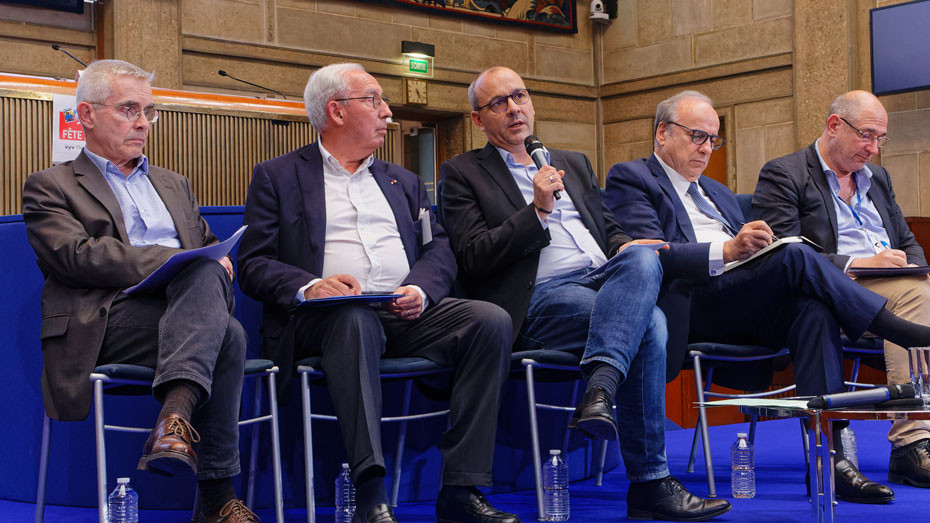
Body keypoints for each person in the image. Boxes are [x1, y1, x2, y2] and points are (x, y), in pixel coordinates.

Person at [605, 89, 930, 504]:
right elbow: (650, 257)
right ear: (662, 134)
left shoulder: (717, 193)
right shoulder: (631, 177)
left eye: (712, 140)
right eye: (696, 136)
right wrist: (727, 251)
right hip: (690, 303)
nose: (706, 149)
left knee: (813, 310)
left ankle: (829, 462)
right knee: (795, 252)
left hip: (741, 299)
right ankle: (898, 330)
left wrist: (755, 246)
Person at [439, 66, 731, 522]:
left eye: (520, 96)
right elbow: (474, 257)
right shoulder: (461, 173)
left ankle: (600, 388)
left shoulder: (571, 161)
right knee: (651, 324)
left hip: (605, 280)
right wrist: (535, 211)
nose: (515, 109)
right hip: (540, 295)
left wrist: (628, 247)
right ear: (478, 120)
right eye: (499, 103)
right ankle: (649, 480)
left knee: (642, 257)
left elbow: (609, 232)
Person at [237, 63, 516, 523]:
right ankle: (370, 489)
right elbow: (253, 263)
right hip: (322, 318)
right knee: (354, 319)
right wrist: (311, 286)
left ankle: (461, 489)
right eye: (375, 100)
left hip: (404, 310)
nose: (388, 112)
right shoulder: (279, 176)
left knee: (489, 321)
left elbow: (439, 246)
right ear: (337, 111)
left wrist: (421, 289)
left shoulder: (402, 181)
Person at [22, 60, 255, 522]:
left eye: (149, 111)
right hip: (109, 319)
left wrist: (219, 258)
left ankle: (174, 422)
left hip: (186, 316)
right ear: (86, 115)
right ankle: (214, 501)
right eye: (129, 109)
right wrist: (174, 260)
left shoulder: (174, 183)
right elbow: (76, 256)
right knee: (227, 333)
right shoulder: (51, 185)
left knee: (221, 314)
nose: (143, 123)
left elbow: (208, 246)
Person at [753, 90, 930, 489]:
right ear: (835, 125)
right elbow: (784, 254)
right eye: (867, 135)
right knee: (918, 299)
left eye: (880, 139)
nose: (873, 148)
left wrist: (918, 267)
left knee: (919, 292)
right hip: (834, 294)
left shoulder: (878, 179)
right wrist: (860, 264)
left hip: (895, 292)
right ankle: (911, 444)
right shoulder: (785, 173)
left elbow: (906, 239)